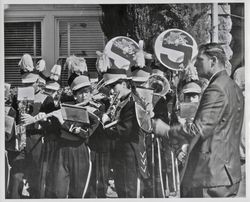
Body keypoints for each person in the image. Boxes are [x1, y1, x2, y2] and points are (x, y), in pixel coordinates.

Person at [153, 43, 244, 197]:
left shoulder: (217, 88)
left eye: (200, 59)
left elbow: (198, 129)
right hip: (224, 173)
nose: (195, 64)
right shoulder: (231, 86)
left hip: (211, 175)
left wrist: (167, 130)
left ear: (213, 61)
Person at [47, 73, 99, 198]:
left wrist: (63, 122)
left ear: (91, 93)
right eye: (80, 93)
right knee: (58, 192)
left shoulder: (95, 111)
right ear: (75, 96)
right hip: (62, 150)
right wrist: (46, 119)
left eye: (87, 92)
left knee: (78, 193)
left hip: (80, 151)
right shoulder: (65, 107)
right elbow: (54, 130)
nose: (84, 95)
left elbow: (84, 134)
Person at [101, 68, 149, 198]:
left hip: (131, 156)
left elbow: (124, 130)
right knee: (122, 192)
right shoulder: (122, 102)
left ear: (123, 84)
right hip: (121, 156)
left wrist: (105, 124)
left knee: (131, 193)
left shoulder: (133, 103)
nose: (111, 90)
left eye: (113, 86)